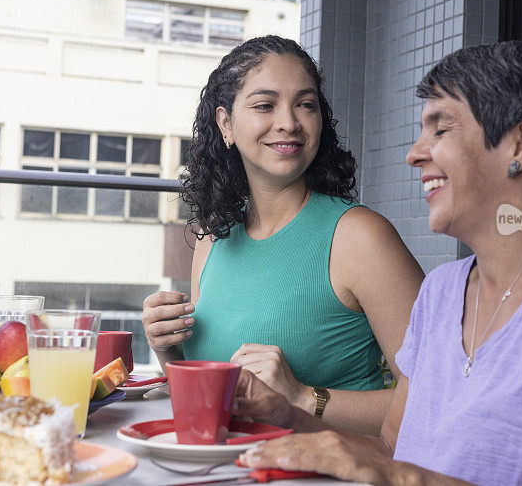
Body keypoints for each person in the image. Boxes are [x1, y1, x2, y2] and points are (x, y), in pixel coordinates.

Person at [231, 41, 522, 485]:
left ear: (521, 143)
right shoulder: (442, 291)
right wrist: (288, 414)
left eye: (441, 130)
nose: (415, 153)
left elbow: (396, 471)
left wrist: (399, 477)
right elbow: (391, 450)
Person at [141, 35, 425, 434]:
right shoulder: (213, 237)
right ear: (226, 124)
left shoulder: (360, 236)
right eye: (264, 105)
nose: (289, 122)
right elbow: (212, 404)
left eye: (305, 105)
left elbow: (439, 398)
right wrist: (167, 348)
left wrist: (302, 398)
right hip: (226, 471)